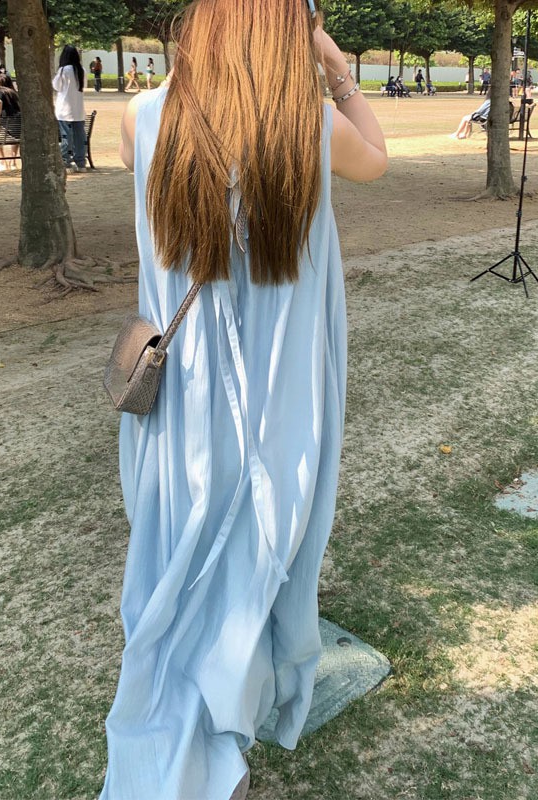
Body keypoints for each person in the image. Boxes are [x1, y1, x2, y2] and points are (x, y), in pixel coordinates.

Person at [103, 2, 386, 799]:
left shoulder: (143, 118)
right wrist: (335, 67)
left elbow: (155, 163)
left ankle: (183, 755)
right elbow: (376, 159)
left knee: (178, 571)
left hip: (182, 409)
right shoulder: (308, 131)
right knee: (249, 572)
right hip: (275, 408)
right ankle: (215, 749)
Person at [52, 44, 87, 172]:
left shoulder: (64, 70)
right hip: (78, 110)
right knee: (79, 138)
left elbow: (56, 86)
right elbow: (84, 86)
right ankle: (81, 163)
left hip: (64, 110)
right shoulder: (81, 70)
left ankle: (66, 162)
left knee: (66, 137)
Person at [0, 73, 21, 171]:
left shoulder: (0, 92)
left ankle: (3, 162)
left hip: (7, 127)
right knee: (16, 136)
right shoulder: (15, 93)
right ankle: (13, 163)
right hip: (19, 127)